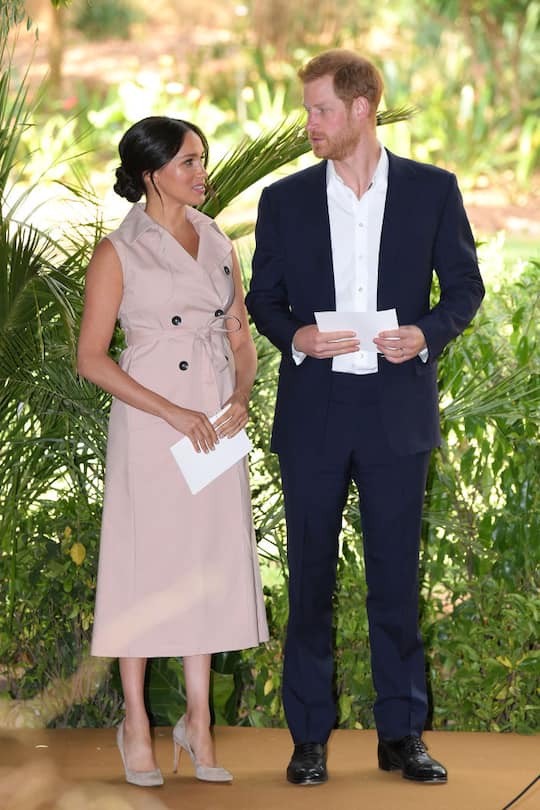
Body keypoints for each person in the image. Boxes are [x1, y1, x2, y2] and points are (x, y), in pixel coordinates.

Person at [246, 49, 484, 787]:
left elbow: (465, 289)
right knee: (309, 581)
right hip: (314, 411)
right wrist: (296, 336)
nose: (308, 123)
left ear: (360, 109)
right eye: (308, 109)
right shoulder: (283, 200)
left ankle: (401, 735)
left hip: (394, 413)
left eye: (320, 109)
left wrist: (426, 334)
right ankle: (309, 738)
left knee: (395, 580)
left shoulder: (432, 190)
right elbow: (263, 299)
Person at [78, 116, 268, 787]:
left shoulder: (218, 242)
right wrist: (172, 411)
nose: (202, 172)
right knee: (145, 565)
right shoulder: (119, 251)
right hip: (153, 422)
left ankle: (197, 722)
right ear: (152, 172)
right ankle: (135, 723)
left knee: (204, 564)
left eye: (203, 159)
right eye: (189, 162)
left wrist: (240, 394)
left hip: (214, 422)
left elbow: (240, 337)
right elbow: (92, 359)